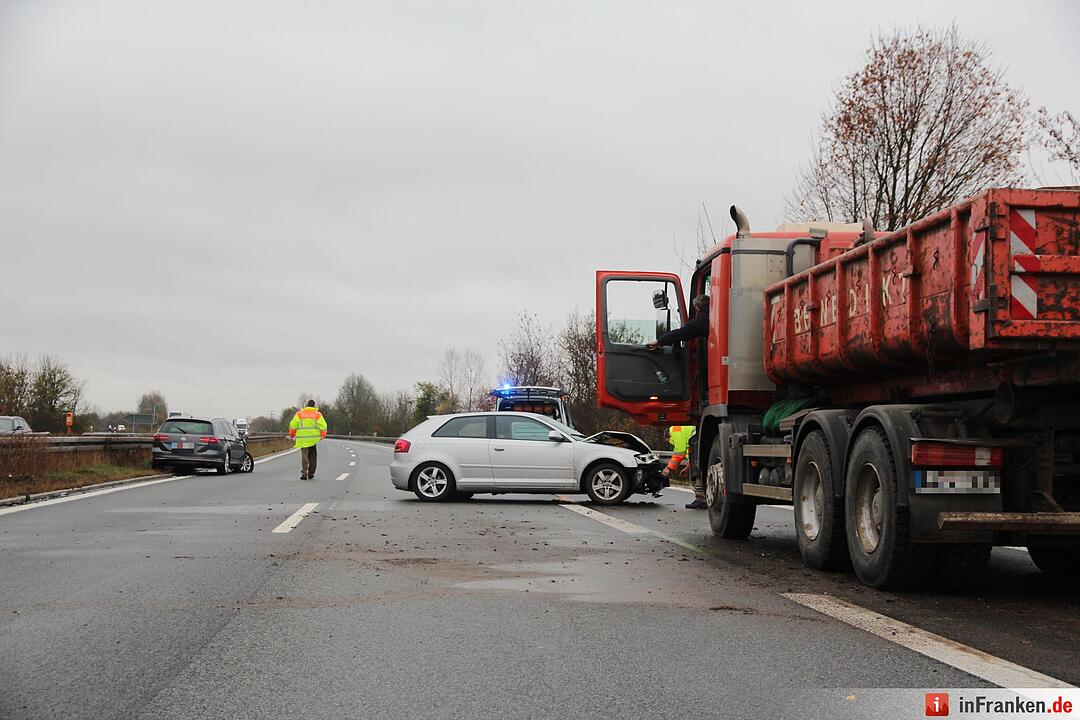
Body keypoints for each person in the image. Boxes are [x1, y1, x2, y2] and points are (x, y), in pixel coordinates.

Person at [649, 295, 710, 508]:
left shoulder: (704, 320)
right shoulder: (711, 319)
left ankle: (701, 497)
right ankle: (701, 495)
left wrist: (667, 471)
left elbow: (678, 453)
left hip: (710, 385)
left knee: (697, 459)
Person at [665, 425, 706, 509]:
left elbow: (679, 452)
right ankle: (702, 498)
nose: (671, 442)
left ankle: (701, 500)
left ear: (668, 436)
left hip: (698, 446)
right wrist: (688, 467)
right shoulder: (679, 429)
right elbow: (688, 450)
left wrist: (668, 468)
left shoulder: (675, 430)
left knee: (697, 475)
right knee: (699, 474)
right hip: (700, 445)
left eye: (669, 441)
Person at [289, 400, 327, 480]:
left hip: (303, 439)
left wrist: (292, 435)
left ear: (307, 405)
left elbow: (293, 425)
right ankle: (311, 473)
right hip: (313, 439)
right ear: (314, 406)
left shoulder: (299, 414)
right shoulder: (317, 414)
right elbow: (323, 426)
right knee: (313, 456)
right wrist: (322, 435)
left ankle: (304, 473)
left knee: (304, 455)